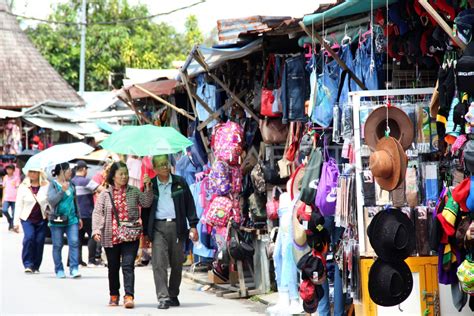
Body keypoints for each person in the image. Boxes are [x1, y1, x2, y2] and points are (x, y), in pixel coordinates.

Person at [92, 162, 153, 308]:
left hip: (130, 235)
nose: (124, 177)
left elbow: (146, 203)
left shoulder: (134, 191)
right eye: (121, 174)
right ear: (113, 176)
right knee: (113, 267)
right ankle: (114, 295)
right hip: (110, 235)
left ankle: (129, 296)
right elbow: (97, 212)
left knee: (128, 265)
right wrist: (95, 230)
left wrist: (148, 187)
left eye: (126, 173)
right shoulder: (105, 194)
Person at [145, 155, 199, 310]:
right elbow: (145, 208)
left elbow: (190, 204)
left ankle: (173, 294)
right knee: (159, 263)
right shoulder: (151, 185)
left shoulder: (179, 182)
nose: (165, 167)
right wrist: (147, 188)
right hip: (158, 228)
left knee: (177, 263)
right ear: (154, 169)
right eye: (160, 165)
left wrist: (193, 225)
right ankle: (163, 297)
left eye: (166, 163)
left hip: (177, 227)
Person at [47, 163, 83, 279]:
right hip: (57, 220)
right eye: (69, 170)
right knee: (58, 245)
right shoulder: (53, 185)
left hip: (72, 219)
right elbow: (52, 202)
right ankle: (59, 269)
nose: (71, 172)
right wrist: (62, 191)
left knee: (74, 242)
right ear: (62, 172)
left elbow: (75, 202)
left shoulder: (72, 184)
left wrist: (79, 217)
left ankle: (74, 268)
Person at [14, 168, 49, 273]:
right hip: (27, 218)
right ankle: (28, 264)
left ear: (39, 173)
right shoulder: (23, 186)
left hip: (42, 218)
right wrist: (15, 222)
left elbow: (49, 201)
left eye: (35, 172)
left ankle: (36, 265)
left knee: (39, 241)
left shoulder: (46, 185)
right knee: (29, 238)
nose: (32, 174)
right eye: (30, 172)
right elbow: (18, 204)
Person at [71, 160, 103, 266]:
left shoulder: (71, 181)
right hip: (88, 213)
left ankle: (78, 261)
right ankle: (91, 260)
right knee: (92, 236)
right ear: (84, 169)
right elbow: (101, 189)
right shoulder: (86, 181)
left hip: (75, 214)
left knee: (78, 238)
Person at [2, 164, 20, 232]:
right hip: (7, 197)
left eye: (10, 169)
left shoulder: (16, 177)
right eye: (7, 169)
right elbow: (4, 188)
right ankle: (10, 220)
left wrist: (18, 197)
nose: (9, 170)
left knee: (14, 213)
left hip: (14, 198)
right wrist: (3, 198)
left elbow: (17, 187)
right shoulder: (5, 177)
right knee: (4, 210)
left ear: (13, 170)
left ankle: (11, 225)